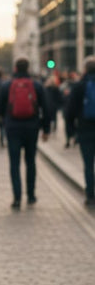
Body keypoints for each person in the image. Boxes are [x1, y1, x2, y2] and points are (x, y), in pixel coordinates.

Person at [0, 57, 50, 208]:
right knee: (30, 162)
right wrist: (46, 129)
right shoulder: (37, 85)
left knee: (14, 163)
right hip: (32, 127)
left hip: (13, 128)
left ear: (16, 69)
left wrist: (3, 119)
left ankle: (17, 197)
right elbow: (46, 107)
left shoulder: (7, 85)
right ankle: (31, 195)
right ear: (28, 68)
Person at [64, 56, 95, 206]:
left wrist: (71, 131)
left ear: (85, 69)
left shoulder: (79, 86)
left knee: (88, 165)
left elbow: (69, 111)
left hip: (85, 130)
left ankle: (90, 196)